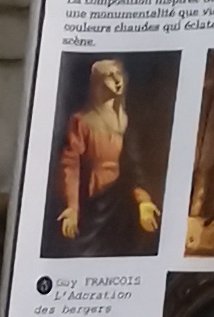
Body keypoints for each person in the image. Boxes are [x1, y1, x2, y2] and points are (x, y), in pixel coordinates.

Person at [54, 58, 158, 253]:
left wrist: (143, 200)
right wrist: (72, 207)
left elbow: (133, 167)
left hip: (120, 202)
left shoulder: (125, 121)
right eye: (109, 76)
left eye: (119, 74)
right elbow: (70, 165)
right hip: (92, 200)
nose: (117, 80)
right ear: (97, 83)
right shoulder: (81, 121)